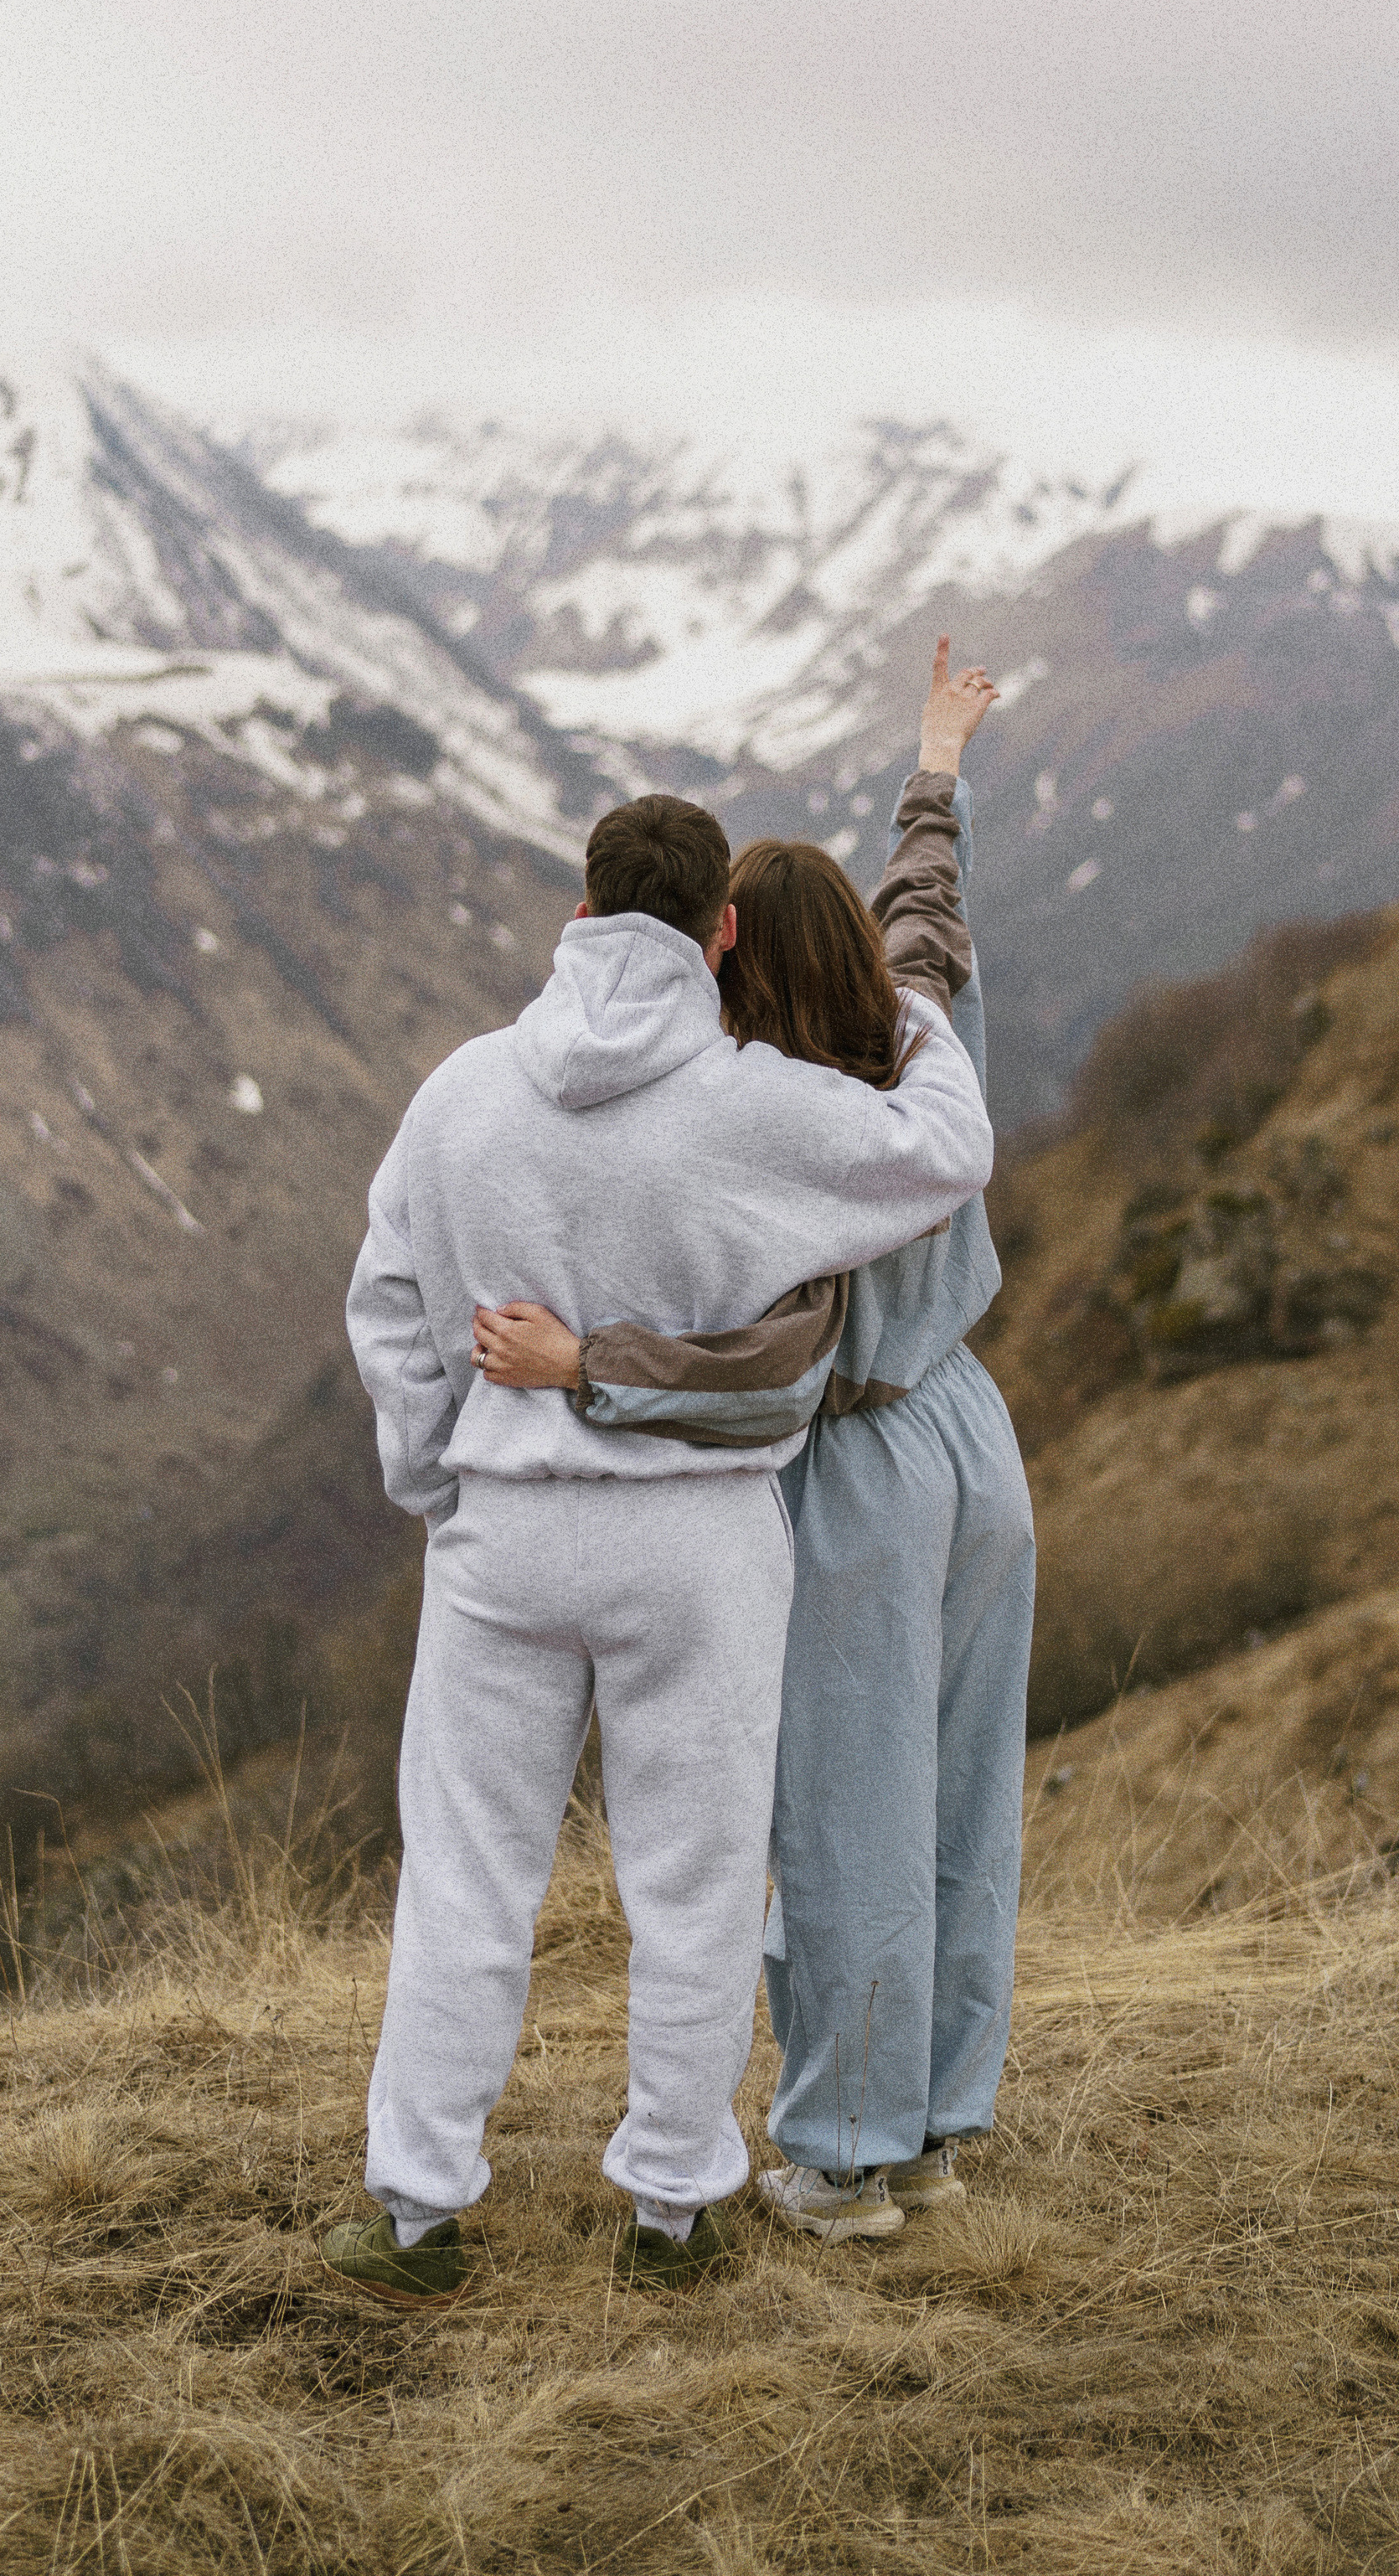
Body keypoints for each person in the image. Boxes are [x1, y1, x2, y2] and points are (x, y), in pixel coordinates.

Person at [330, 782, 996, 2308]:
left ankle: (417, 2210)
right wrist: (911, 993)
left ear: (579, 912)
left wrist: (444, 1475)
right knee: (693, 1887)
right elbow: (947, 1150)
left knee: (465, 1880)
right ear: (723, 931)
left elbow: (386, 1299)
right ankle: (671, 2208)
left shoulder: (460, 1096)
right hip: (697, 1542)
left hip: (504, 1537)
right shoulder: (756, 1105)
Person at [475, 638, 1035, 2243]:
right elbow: (926, 899)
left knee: (846, 1819)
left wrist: (590, 1363)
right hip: (976, 1443)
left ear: (735, 969)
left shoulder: (784, 1136)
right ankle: (931, 2119)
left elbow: (771, 1369)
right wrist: (937, 761)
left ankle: (847, 2159)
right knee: (959, 1800)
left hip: (855, 1468)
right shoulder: (923, 1027)